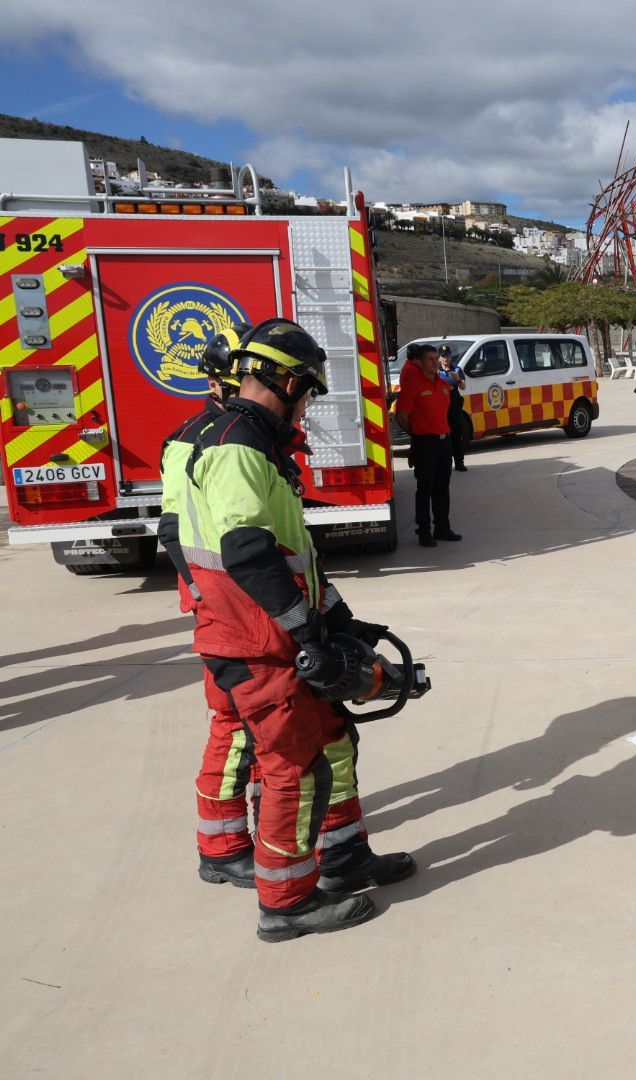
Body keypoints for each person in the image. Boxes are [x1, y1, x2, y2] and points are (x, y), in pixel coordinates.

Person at [181, 318, 415, 942]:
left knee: (334, 739)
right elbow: (248, 552)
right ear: (284, 380)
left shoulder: (255, 442)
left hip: (271, 631)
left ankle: (341, 860)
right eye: (307, 390)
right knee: (292, 766)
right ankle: (286, 902)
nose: (308, 403)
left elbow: (293, 557)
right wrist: (308, 635)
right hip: (254, 641)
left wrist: (340, 622)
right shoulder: (236, 445)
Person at [157, 322, 260, 887]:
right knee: (236, 721)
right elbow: (176, 530)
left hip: (244, 605)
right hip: (226, 605)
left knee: (266, 723)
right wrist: (205, 598)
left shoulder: (240, 435)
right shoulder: (198, 439)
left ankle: (270, 827)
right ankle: (221, 845)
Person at [393, 342, 460, 546]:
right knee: (425, 488)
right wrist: (418, 433)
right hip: (425, 442)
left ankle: (442, 528)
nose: (434, 362)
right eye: (430, 359)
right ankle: (424, 532)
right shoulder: (413, 386)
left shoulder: (443, 385)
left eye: (435, 358)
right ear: (420, 363)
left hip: (443, 441)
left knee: (443, 487)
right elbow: (402, 417)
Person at [440, 347, 469, 472]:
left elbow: (463, 386)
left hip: (455, 407)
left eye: (448, 356)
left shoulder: (456, 369)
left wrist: (457, 379)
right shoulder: (435, 371)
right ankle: (444, 465)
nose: (446, 359)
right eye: (443, 356)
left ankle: (459, 463)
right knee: (443, 438)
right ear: (439, 358)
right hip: (441, 409)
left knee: (457, 435)